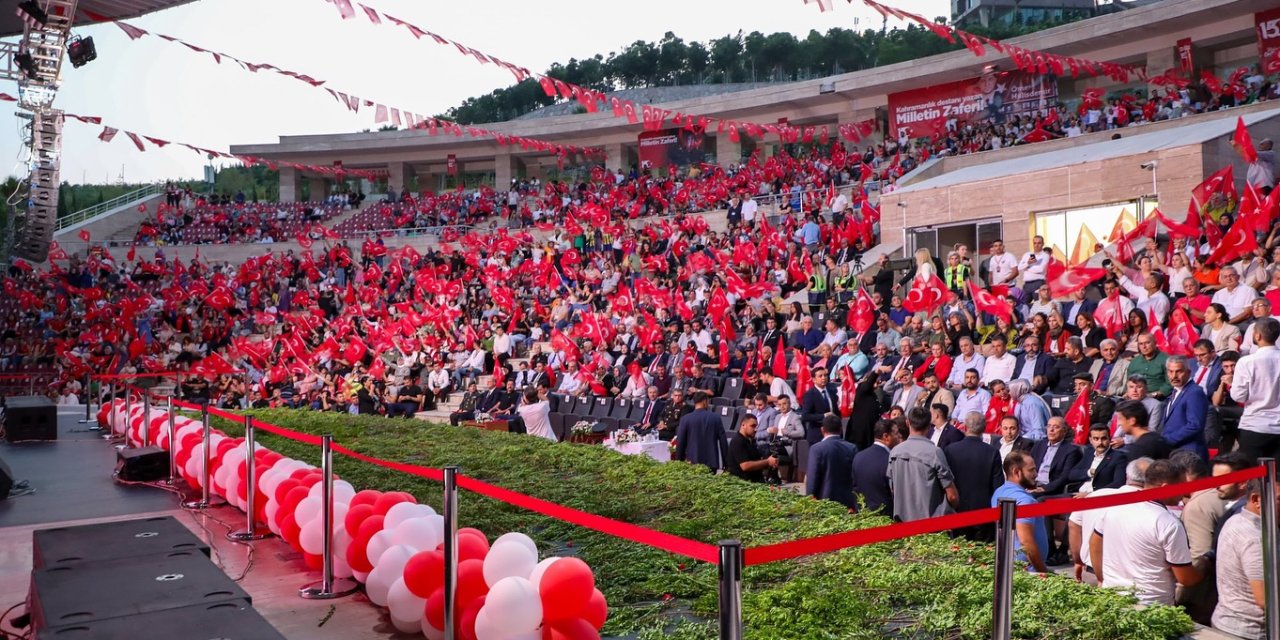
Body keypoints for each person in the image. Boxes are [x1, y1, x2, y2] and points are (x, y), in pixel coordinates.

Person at [1090, 459, 1202, 606]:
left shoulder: (1115, 507)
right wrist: (1204, 565)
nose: (1184, 492)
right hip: (1151, 608)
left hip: (1111, 598)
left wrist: (1102, 579)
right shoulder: (1168, 523)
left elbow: (1094, 543)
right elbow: (1186, 579)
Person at [1069, 457, 1152, 583]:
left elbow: (1073, 524)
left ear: (1127, 475)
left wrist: (1078, 561)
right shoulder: (1151, 507)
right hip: (1127, 579)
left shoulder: (1097, 495)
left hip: (1091, 572)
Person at [1212, 477, 1270, 640]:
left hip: (1228, 622)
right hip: (1249, 631)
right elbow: (1265, 599)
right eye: (1279, 499)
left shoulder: (1236, 519)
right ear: (1256, 499)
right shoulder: (1255, 538)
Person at [1172, 451, 1223, 625]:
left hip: (1203, 597)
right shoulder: (1221, 492)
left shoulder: (1198, 506)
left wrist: (1181, 595)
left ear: (1185, 475)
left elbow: (1200, 557)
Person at [888, 407, 959, 522]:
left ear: (907, 423)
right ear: (929, 426)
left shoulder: (894, 452)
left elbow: (892, 489)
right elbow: (952, 495)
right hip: (932, 527)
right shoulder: (935, 453)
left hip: (903, 524)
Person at [945, 411, 1004, 541]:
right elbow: (998, 487)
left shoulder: (950, 450)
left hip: (957, 511)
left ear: (964, 427)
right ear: (984, 428)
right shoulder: (992, 452)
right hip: (983, 513)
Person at [1230, 317, 1280, 461]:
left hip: (1254, 425)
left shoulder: (1246, 362)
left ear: (1257, 335)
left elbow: (1238, 396)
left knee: (1251, 478)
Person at [991, 451, 1049, 573]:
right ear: (1016, 471)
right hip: (1028, 572)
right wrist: (1043, 572)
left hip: (1010, 566)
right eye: (1031, 470)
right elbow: (1026, 542)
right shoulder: (1025, 500)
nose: (1036, 474)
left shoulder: (999, 492)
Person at [1160, 355, 1209, 460]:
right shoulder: (1175, 391)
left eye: (1179, 371)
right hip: (1177, 453)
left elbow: (1195, 425)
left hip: (1190, 454)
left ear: (1188, 372)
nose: (1174, 376)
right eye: (1170, 371)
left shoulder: (1194, 392)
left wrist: (1166, 440)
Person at [806, 414, 859, 509]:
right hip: (847, 501)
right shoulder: (852, 448)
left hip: (824, 501)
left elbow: (812, 478)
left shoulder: (816, 449)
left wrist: (809, 499)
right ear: (841, 429)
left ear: (822, 430)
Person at [853, 419, 901, 515]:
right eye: (896, 433)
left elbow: (855, 489)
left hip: (864, 516)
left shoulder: (858, 457)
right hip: (886, 517)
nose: (899, 436)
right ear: (886, 436)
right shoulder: (890, 460)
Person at [674, 392, 729, 473]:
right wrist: (726, 464)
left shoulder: (685, 419)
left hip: (692, 462)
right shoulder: (716, 418)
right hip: (711, 462)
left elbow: (680, 443)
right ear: (705, 401)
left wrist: (679, 463)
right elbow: (723, 443)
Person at [1029, 418, 1083, 496]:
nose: (1051, 430)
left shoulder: (1071, 451)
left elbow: (1065, 476)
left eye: (1056, 427)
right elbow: (1027, 467)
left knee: (1028, 497)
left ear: (1064, 431)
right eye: (1049, 426)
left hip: (1050, 488)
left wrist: (1045, 488)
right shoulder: (1039, 445)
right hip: (1032, 484)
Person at [1068, 424, 1128, 494]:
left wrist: (1091, 494)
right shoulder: (1088, 453)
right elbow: (1071, 475)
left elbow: (1118, 483)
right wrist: (1090, 472)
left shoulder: (1118, 457)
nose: (1100, 442)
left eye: (1104, 438)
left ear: (1109, 439)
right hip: (1078, 494)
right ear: (1090, 440)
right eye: (1096, 439)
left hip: (1097, 498)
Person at [727, 414, 775, 483]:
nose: (755, 429)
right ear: (743, 425)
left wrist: (771, 463)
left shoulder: (751, 441)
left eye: (756, 426)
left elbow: (755, 461)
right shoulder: (737, 441)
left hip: (754, 482)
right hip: (743, 485)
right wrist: (767, 462)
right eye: (752, 426)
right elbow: (745, 466)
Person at [800, 367, 839, 445]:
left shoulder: (832, 391)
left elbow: (836, 411)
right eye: (820, 376)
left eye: (825, 375)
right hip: (817, 435)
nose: (823, 378)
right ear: (814, 379)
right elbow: (805, 416)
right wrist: (823, 416)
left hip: (833, 434)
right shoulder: (810, 395)